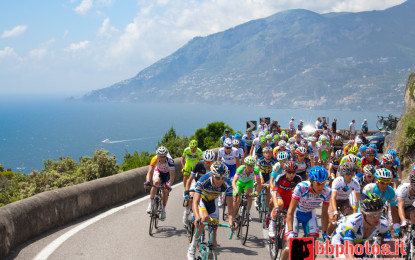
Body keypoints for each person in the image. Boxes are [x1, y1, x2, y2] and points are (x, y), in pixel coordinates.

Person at [187, 161, 237, 260]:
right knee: (204, 219)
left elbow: (230, 206)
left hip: (213, 202)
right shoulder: (203, 180)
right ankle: (192, 247)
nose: (220, 180)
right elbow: (195, 202)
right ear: (212, 175)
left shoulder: (227, 184)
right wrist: (197, 217)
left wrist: (232, 220)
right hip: (202, 200)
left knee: (214, 240)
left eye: (223, 178)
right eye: (217, 177)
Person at [281, 166, 331, 260]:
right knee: (289, 247)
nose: (321, 186)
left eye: (323, 182)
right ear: (311, 181)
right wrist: (291, 231)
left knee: (312, 249)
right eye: (317, 183)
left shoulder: (327, 192)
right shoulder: (302, 187)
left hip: (310, 215)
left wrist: (325, 233)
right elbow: (291, 210)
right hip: (296, 214)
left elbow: (324, 214)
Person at [330, 193, 394, 258]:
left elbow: (391, 249)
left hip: (359, 243)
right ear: (363, 213)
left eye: (379, 213)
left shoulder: (383, 223)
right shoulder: (354, 221)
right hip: (341, 240)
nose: (376, 218)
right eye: (372, 214)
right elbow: (348, 251)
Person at [362, 168, 401, 237]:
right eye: (382, 182)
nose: (385, 185)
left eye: (387, 183)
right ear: (376, 180)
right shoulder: (369, 188)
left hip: (378, 212)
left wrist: (396, 226)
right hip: (366, 211)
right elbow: (362, 208)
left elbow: (393, 210)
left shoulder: (391, 191)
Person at [269, 161, 302, 237]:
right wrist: (276, 207)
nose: (291, 174)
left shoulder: (298, 179)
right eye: (289, 172)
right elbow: (274, 194)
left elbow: (301, 195)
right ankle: (272, 224)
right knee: (280, 204)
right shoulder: (280, 177)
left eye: (293, 172)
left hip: (289, 195)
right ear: (285, 172)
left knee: (291, 212)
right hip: (279, 194)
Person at [327, 162, 361, 235]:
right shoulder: (337, 181)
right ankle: (327, 237)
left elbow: (357, 200)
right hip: (335, 201)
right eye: (348, 174)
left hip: (345, 201)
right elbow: (333, 197)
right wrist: (335, 211)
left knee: (350, 216)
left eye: (351, 174)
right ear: (343, 174)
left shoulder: (355, 183)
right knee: (333, 220)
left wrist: (355, 213)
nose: (350, 176)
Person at [183, 150, 215, 226]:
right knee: (191, 198)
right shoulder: (198, 165)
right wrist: (187, 191)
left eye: (210, 162)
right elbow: (189, 180)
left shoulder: (214, 168)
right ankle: (186, 213)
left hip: (206, 186)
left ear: (213, 161)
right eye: (207, 162)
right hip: (196, 183)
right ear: (203, 160)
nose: (208, 164)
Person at [144, 146, 175, 221]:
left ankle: (163, 210)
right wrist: (148, 181)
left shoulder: (170, 161)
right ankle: (150, 204)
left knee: (165, 191)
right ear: (158, 155)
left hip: (167, 174)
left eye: (164, 156)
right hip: (158, 171)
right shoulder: (154, 159)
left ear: (166, 155)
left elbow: (172, 176)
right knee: (155, 183)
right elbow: (150, 172)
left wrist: (169, 186)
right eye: (160, 156)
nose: (162, 158)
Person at [232, 156, 261, 220]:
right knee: (236, 199)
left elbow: (259, 183)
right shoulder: (241, 169)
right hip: (239, 183)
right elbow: (234, 181)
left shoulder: (256, 170)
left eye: (252, 166)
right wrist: (236, 191)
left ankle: (248, 212)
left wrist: (256, 192)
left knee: (249, 195)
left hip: (248, 182)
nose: (251, 168)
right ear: (245, 164)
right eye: (249, 166)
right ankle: (234, 215)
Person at [397, 168, 415, 232]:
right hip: (396, 208)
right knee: (395, 228)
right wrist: (404, 221)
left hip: (407, 208)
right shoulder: (403, 189)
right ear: (411, 184)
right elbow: (400, 207)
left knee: (413, 213)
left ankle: (411, 233)